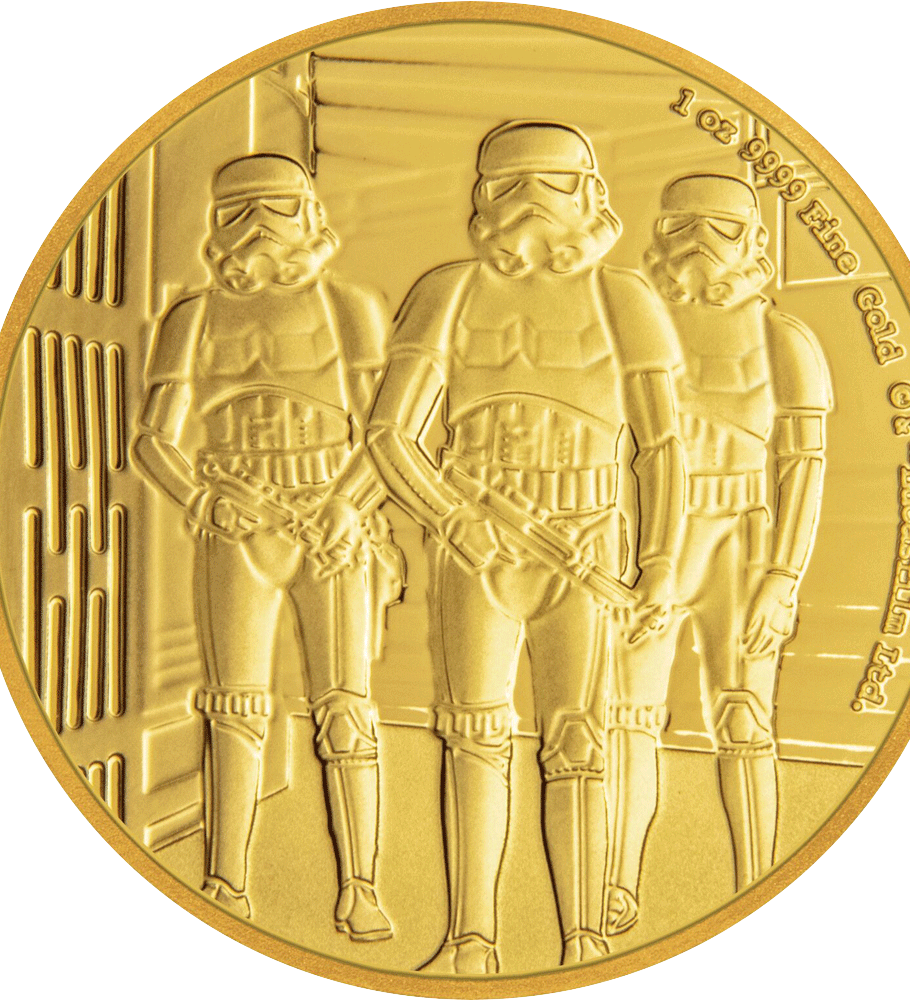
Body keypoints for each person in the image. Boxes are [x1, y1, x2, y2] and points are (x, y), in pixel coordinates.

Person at [366, 121, 685, 971]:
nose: (530, 201)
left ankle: (584, 940)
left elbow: (662, 447)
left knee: (577, 741)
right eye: (508, 184)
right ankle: (471, 937)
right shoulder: (449, 291)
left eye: (552, 181)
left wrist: (659, 565)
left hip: (586, 538)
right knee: (472, 733)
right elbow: (391, 434)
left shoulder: (623, 297)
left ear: (590, 193)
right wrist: (453, 518)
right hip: (476, 546)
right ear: (481, 196)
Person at [132, 153, 403, 940]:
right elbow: (153, 441)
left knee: (346, 711)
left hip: (329, 527)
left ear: (310, 214)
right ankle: (226, 881)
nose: (259, 225)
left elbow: (388, 433)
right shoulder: (193, 317)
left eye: (278, 207)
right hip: (235, 526)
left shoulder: (349, 306)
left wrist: (350, 506)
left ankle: (361, 886)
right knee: (235, 709)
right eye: (239, 210)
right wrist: (202, 499)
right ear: (218, 223)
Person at [604, 174, 833, 935]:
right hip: (649, 541)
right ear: (660, 236)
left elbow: (804, 464)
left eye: (722, 227)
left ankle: (757, 881)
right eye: (683, 226)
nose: (701, 243)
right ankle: (617, 881)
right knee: (628, 717)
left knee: (742, 718)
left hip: (742, 541)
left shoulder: (782, 338)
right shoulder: (635, 327)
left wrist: (783, 579)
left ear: (754, 241)